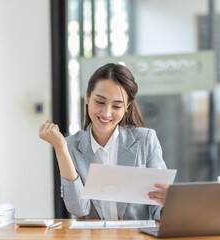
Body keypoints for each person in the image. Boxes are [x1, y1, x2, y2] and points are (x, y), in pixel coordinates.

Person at [39, 63, 168, 220]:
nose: (106, 113)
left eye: (117, 106)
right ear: (87, 97)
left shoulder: (145, 140)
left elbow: (158, 209)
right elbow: (78, 209)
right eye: (100, 102)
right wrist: (60, 148)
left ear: (127, 106)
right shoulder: (71, 145)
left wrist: (169, 204)